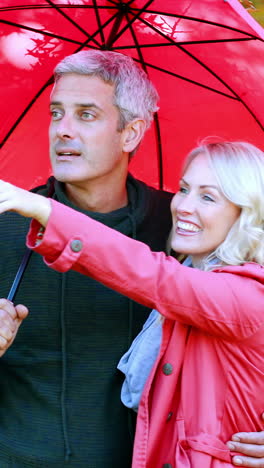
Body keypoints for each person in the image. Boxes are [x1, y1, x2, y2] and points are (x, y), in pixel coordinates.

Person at [0, 51, 263, 467]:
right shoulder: (6, 222)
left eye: (86, 115)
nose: (62, 130)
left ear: (131, 132)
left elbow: (242, 343)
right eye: (56, 113)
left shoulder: (183, 233)